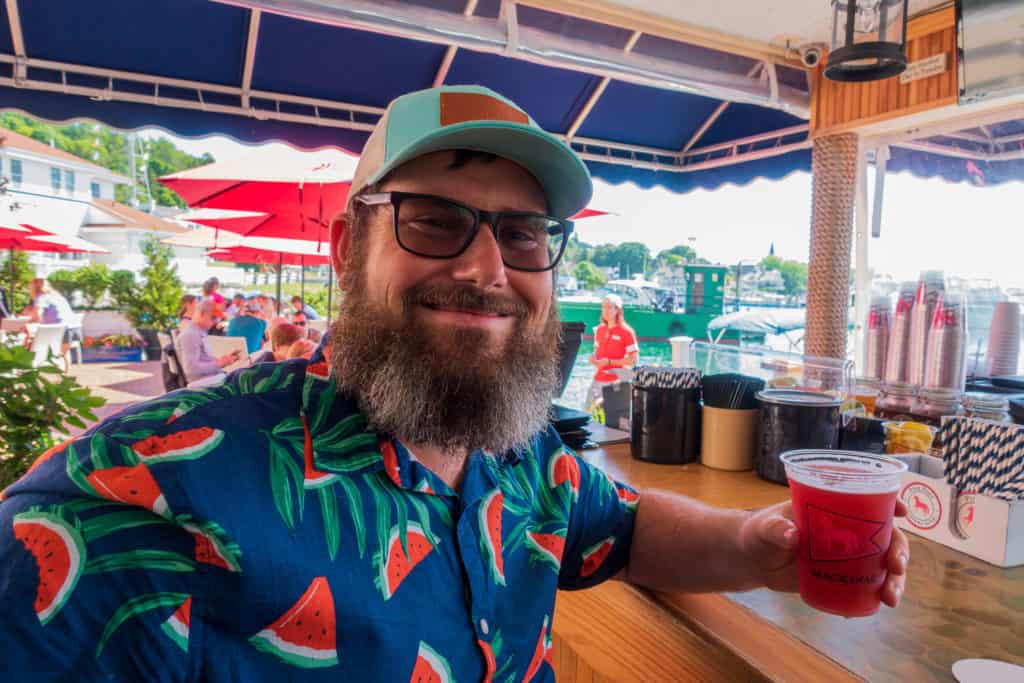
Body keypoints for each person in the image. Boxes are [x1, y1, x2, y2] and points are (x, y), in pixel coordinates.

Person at [0, 85, 909, 681]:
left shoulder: (521, 457)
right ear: (349, 248)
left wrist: (759, 545)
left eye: (521, 234)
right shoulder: (134, 501)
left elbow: (621, 529)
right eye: (434, 219)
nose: (485, 268)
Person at [586, 293, 639, 410]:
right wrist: (593, 358)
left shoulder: (627, 332)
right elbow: (598, 353)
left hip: (616, 383)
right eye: (604, 307)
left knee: (611, 419)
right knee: (588, 414)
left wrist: (609, 362)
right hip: (598, 380)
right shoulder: (599, 330)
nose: (605, 310)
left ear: (618, 310)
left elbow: (633, 360)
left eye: (609, 307)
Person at [176, 298, 242, 385]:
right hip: (205, 384)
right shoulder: (190, 334)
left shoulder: (199, 331)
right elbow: (191, 370)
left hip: (212, 379)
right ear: (201, 314)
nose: (215, 321)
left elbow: (203, 359)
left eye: (217, 318)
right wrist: (219, 364)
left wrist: (225, 360)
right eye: (213, 317)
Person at [25, 277, 81, 370]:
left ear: (34, 289)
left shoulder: (41, 297)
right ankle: (65, 377)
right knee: (63, 353)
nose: (29, 291)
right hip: (75, 328)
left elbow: (37, 317)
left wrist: (26, 320)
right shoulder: (56, 295)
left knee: (52, 352)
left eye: (29, 288)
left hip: (63, 330)